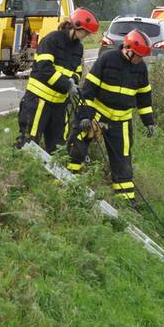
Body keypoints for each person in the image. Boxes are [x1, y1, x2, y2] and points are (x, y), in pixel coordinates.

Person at [66, 29, 155, 200]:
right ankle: (67, 185)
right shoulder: (107, 59)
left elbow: (144, 97)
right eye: (137, 55)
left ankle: (126, 202)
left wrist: (148, 121)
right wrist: (86, 117)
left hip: (121, 121)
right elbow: (88, 91)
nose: (139, 60)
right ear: (127, 49)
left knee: (122, 162)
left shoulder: (141, 68)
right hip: (97, 115)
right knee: (76, 146)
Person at [16, 7, 98, 153]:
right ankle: (18, 173)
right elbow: (44, 68)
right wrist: (67, 84)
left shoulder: (78, 48)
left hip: (59, 104)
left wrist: (73, 81)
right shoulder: (52, 39)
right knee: (28, 141)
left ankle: (53, 176)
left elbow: (78, 71)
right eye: (85, 31)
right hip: (38, 100)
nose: (86, 35)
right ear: (76, 26)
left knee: (58, 147)